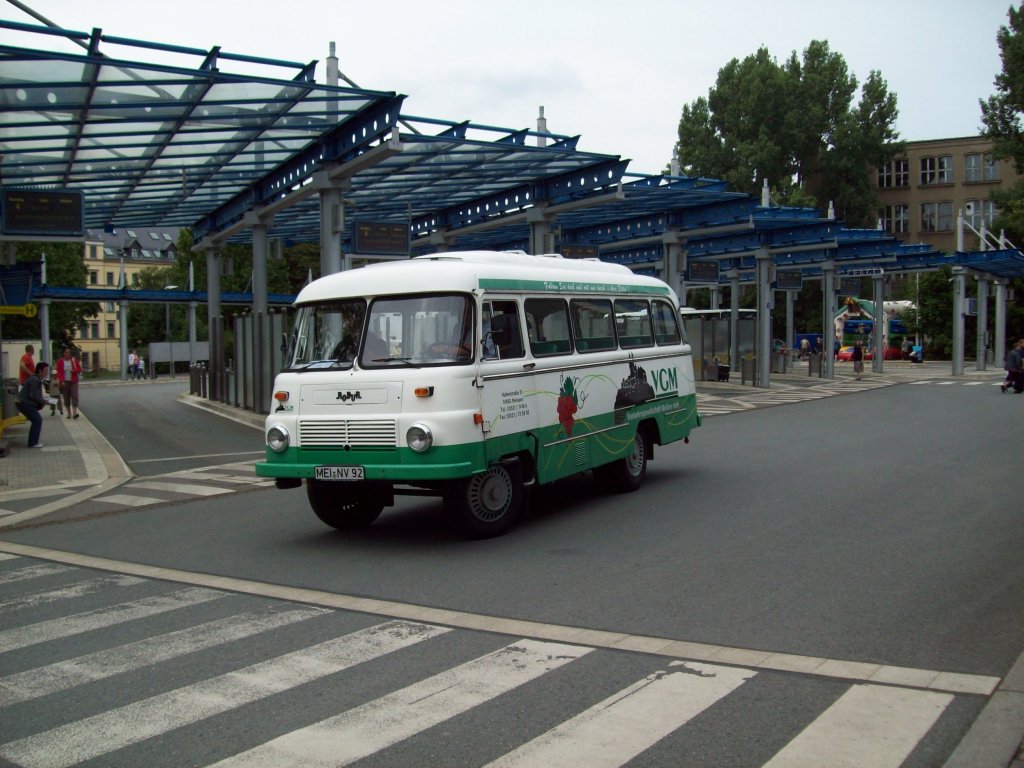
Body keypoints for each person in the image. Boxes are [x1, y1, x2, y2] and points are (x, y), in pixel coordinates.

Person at [15, 361, 49, 448]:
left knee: (36, 420)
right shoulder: (35, 380)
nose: (46, 372)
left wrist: (42, 401)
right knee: (37, 420)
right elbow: (32, 395)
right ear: (40, 371)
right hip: (23, 403)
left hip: (23, 402)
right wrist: (43, 401)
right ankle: (32, 442)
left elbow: (35, 395)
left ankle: (32, 441)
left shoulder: (36, 379)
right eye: (45, 370)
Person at [56, 347, 82, 419]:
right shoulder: (60, 361)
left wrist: (74, 371)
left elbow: (79, 369)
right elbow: (59, 372)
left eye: (69, 352)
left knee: (74, 395)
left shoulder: (74, 360)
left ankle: (74, 413)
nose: (68, 353)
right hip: (65, 381)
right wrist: (61, 381)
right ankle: (69, 413)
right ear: (63, 353)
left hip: (73, 381)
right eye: (66, 352)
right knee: (66, 397)